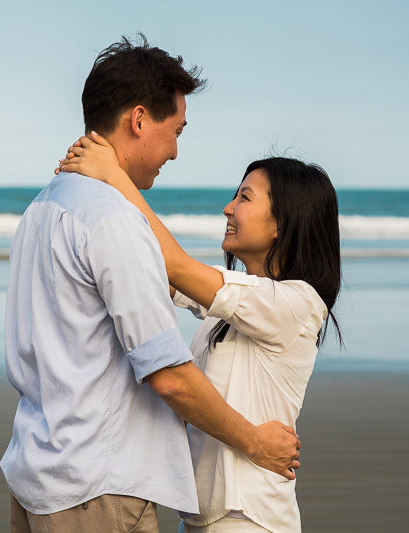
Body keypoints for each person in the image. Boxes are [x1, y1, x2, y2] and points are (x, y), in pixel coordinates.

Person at [1, 35, 301, 533]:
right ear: (139, 120)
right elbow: (168, 375)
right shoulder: (111, 219)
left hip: (38, 475)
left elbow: (176, 282)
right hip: (99, 486)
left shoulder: (42, 207)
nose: (176, 152)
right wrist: (254, 442)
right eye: (176, 130)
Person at [59, 133, 342, 532]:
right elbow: (158, 272)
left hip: (248, 517)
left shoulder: (296, 304)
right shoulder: (234, 302)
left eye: (245, 198)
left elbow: (174, 265)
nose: (228, 208)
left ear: (282, 223)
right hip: (204, 514)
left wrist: (113, 175)